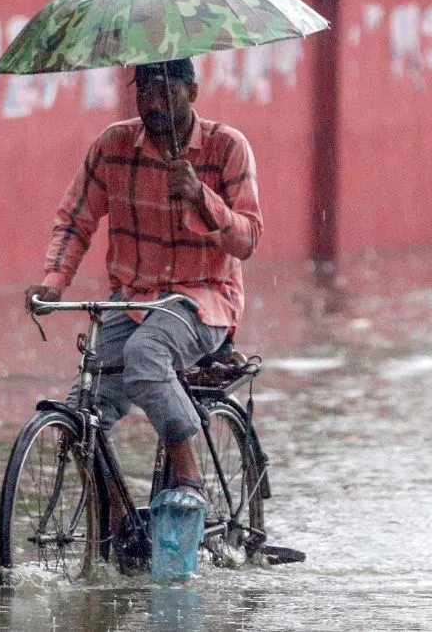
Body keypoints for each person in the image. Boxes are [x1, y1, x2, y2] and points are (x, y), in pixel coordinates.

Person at [24, 57, 263, 548]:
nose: (151, 100)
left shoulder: (227, 147)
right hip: (131, 300)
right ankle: (116, 524)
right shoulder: (113, 145)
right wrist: (53, 282)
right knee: (82, 415)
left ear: (191, 91)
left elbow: (248, 239)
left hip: (205, 297)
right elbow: (76, 218)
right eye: (143, 89)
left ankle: (189, 478)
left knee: (145, 356)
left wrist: (202, 197)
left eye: (164, 89)